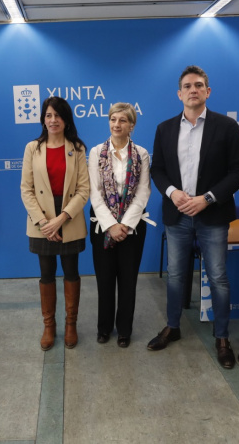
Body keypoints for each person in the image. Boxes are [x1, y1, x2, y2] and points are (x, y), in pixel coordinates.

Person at [148, 65, 239, 369]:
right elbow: (157, 169)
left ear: (208, 91)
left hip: (213, 215)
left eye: (199, 85)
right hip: (177, 214)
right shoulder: (165, 129)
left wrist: (207, 199)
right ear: (179, 94)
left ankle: (222, 337)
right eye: (187, 86)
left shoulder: (226, 127)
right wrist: (172, 193)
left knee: (217, 277)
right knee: (176, 275)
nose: (193, 90)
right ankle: (173, 326)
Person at [21, 97, 90, 351]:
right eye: (48, 115)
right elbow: (26, 189)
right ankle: (49, 326)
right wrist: (44, 222)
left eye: (58, 116)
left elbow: (84, 190)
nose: (53, 120)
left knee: (71, 272)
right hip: (41, 220)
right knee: (46, 274)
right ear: (43, 119)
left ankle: (71, 324)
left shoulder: (77, 148)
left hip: (68, 218)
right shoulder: (32, 148)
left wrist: (61, 218)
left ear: (66, 120)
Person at [88, 102, 152, 348]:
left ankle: (124, 330)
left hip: (132, 228)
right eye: (113, 119)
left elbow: (143, 192)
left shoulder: (141, 154)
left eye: (122, 120)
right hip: (102, 226)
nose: (117, 124)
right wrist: (111, 225)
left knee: (128, 280)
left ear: (131, 125)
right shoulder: (96, 152)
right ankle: (104, 328)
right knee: (104, 280)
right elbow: (94, 193)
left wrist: (124, 225)